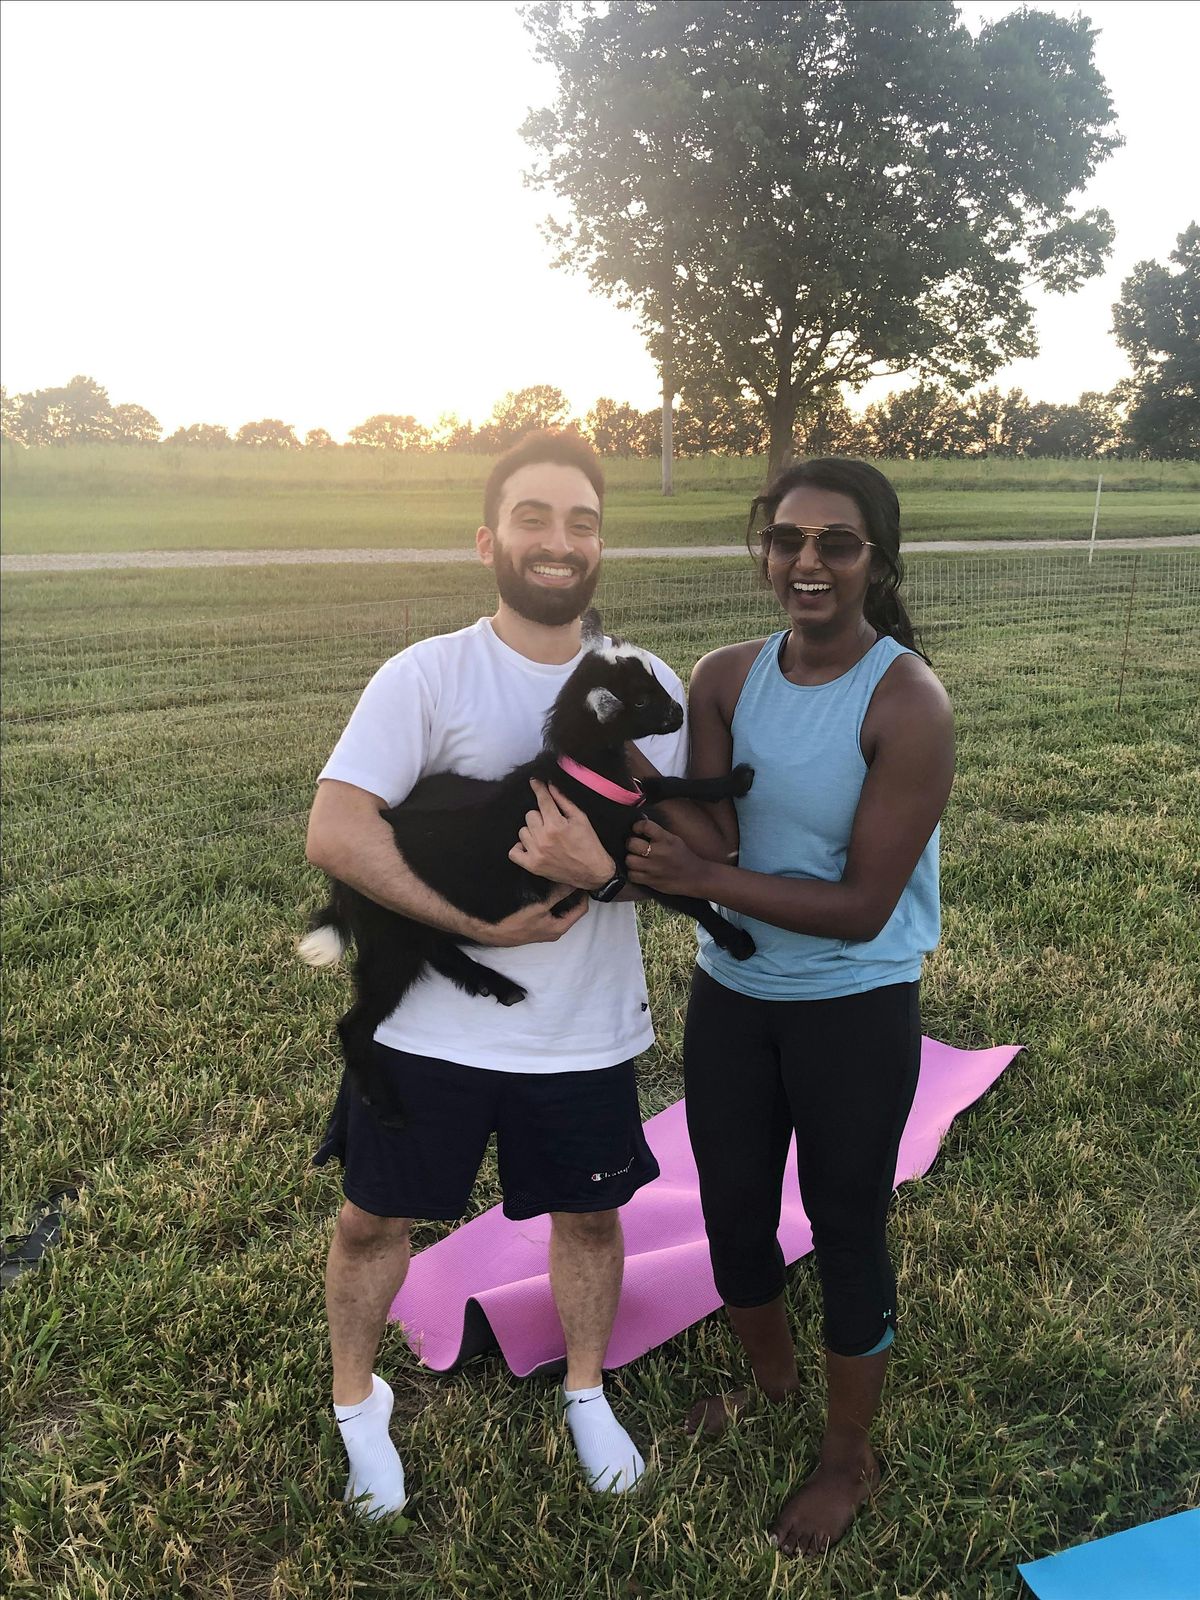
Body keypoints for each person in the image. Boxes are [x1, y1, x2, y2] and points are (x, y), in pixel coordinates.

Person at [305, 431, 689, 1517]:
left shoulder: (647, 683)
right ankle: (357, 1405)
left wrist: (603, 872)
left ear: (601, 544)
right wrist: (482, 923)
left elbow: (686, 856)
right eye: (533, 518)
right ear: (489, 541)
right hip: (427, 1031)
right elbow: (337, 831)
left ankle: (585, 1390)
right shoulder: (427, 675)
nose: (559, 541)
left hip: (582, 1029)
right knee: (372, 1222)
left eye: (582, 522)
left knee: (590, 1220)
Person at [623, 458, 955, 1557]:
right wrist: (618, 765)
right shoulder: (724, 677)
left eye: (837, 543)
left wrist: (703, 880)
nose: (808, 561)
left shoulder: (907, 702)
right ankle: (769, 1381)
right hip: (734, 997)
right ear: (764, 550)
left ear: (877, 561)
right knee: (732, 1209)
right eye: (788, 539)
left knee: (847, 1223)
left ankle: (846, 1455)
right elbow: (714, 832)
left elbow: (861, 908)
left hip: (853, 1007)